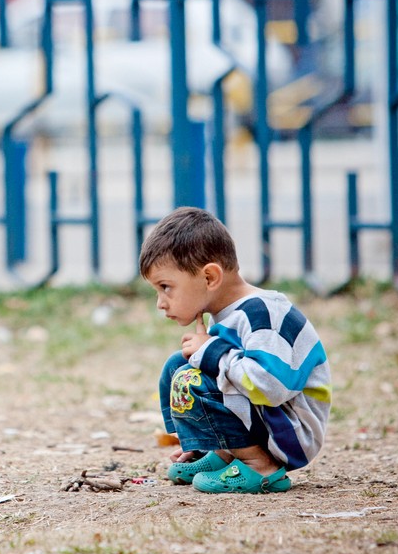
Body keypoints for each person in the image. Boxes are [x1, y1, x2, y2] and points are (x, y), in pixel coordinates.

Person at [139, 207, 331, 494]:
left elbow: (271, 387)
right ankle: (222, 451)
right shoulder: (227, 313)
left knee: (192, 378)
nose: (161, 303)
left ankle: (259, 466)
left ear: (209, 278)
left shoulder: (262, 315)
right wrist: (202, 437)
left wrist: (213, 352)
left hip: (292, 431)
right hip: (269, 420)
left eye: (166, 287)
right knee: (177, 368)